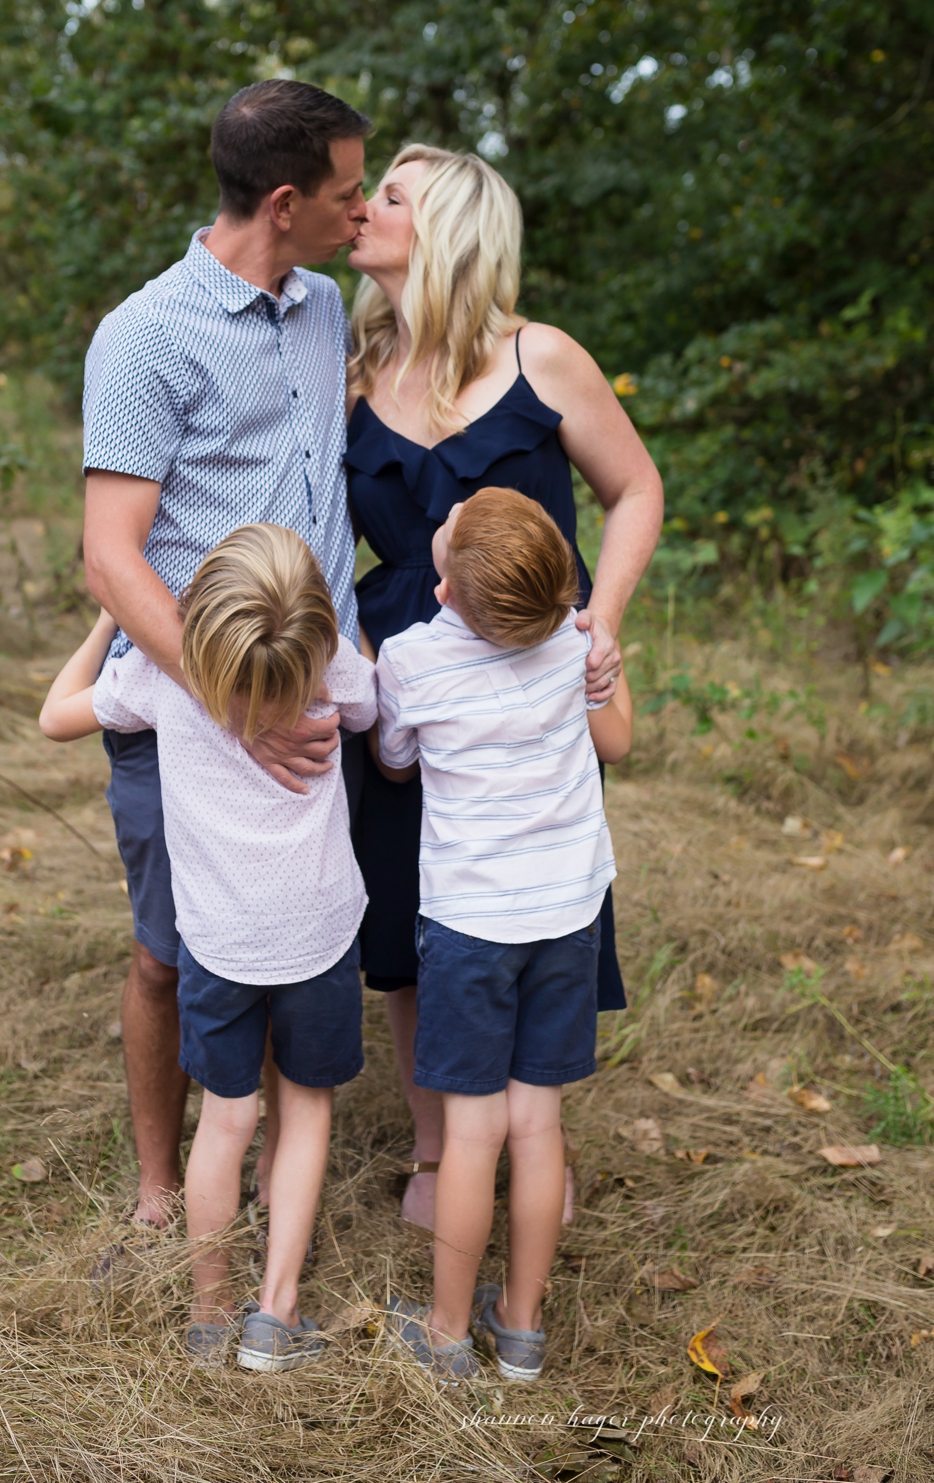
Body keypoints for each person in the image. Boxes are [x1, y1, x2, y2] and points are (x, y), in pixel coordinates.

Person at [345, 145, 662, 1228]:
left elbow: (636, 489)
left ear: (451, 232)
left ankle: (533, 1135)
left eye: (390, 196)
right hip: (409, 679)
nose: (363, 207)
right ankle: (440, 1142)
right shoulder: (353, 370)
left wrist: (601, 622)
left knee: (534, 901)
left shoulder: (543, 359)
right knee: (409, 909)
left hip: (534, 679)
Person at [80, 80, 370, 1228]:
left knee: (292, 938)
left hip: (315, 694)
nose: (362, 213)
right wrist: (233, 700)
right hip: (197, 707)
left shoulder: (324, 307)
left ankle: (262, 1163)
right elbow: (112, 557)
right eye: (349, 194)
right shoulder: (146, 336)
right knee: (167, 950)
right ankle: (163, 1193)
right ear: (286, 199)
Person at [40, 524, 377, 1371]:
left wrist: (109, 617)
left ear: (197, 616)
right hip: (319, 938)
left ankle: (208, 1314)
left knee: (225, 1124)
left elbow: (55, 716)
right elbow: (381, 706)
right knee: (303, 1112)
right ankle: (276, 1313)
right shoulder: (328, 666)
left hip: (219, 949)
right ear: (315, 623)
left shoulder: (161, 673)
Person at [373, 490, 633, 1382]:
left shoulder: (409, 658)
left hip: (472, 926)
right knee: (539, 1127)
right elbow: (621, 740)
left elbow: (395, 759)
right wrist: (603, 657)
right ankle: (520, 1327)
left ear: (443, 591)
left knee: (472, 1132)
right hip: (567, 916)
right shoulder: (573, 642)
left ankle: (446, 1334)